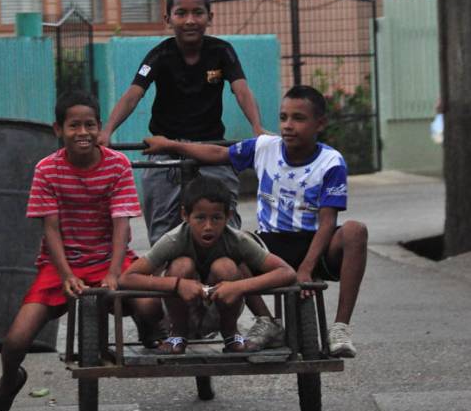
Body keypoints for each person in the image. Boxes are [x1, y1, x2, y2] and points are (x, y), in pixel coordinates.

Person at [0, 89, 161, 411]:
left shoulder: (117, 165)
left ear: (99, 127)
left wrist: (112, 273)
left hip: (110, 257)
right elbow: (51, 229)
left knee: (150, 307)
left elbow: (122, 225)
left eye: (89, 125)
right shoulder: (47, 170)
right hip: (60, 263)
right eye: (74, 125)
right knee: (16, 339)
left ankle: (151, 333)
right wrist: (65, 274)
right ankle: (7, 383)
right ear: (58, 129)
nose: (83, 133)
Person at [143, 85, 368, 358]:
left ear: (320, 123)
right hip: (270, 241)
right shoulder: (265, 147)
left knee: (356, 231)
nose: (288, 125)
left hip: (314, 243)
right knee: (235, 244)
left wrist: (307, 267)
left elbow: (328, 221)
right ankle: (266, 320)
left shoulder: (331, 161)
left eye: (298, 118)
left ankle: (340, 328)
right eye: (284, 117)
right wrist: (171, 145)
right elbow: (218, 155)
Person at [98, 0, 265, 245]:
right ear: (167, 19)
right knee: (164, 232)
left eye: (198, 13)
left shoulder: (222, 52)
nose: (190, 20)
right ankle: (168, 278)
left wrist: (257, 128)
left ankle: (224, 278)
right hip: (164, 150)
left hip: (211, 149)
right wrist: (107, 130)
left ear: (210, 17)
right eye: (181, 13)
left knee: (226, 227)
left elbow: (241, 90)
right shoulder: (159, 55)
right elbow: (133, 94)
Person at [119, 176, 297, 354]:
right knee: (181, 265)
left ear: (228, 216)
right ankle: (178, 335)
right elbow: (127, 278)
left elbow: (286, 272)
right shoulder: (174, 239)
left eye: (216, 218)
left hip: (219, 310)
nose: (208, 226)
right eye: (200, 218)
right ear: (185, 215)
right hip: (180, 312)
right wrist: (177, 284)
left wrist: (237, 287)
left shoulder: (237, 240)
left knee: (226, 266)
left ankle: (230, 334)